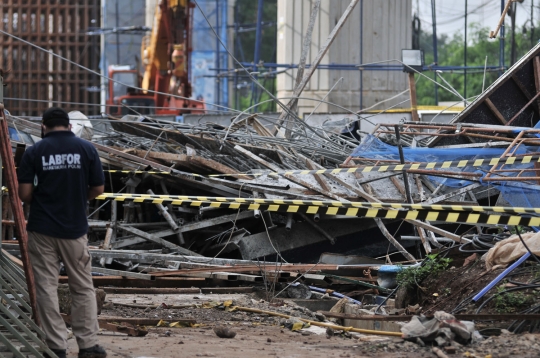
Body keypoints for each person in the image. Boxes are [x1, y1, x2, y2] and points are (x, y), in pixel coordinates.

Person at [17, 107, 107, 358]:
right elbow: (98, 188)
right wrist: (78, 198)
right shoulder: (87, 149)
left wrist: (43, 198)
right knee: (83, 287)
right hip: (75, 229)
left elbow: (24, 195)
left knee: (46, 288)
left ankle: (55, 346)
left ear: (43, 126)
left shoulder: (35, 152)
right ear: (68, 126)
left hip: (42, 229)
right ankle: (88, 346)